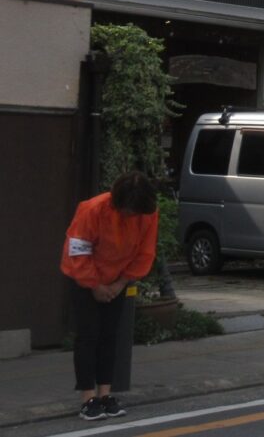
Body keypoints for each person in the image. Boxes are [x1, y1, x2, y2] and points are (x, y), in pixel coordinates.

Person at [60, 171, 159, 420]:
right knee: (88, 335)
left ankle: (105, 394)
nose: (133, 216)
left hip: (117, 279)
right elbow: (79, 251)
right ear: (118, 203)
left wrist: (120, 283)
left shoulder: (147, 213)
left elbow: (145, 252)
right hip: (84, 277)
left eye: (137, 212)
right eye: (129, 211)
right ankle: (87, 398)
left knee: (110, 336)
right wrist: (95, 285)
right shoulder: (92, 210)